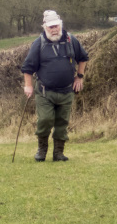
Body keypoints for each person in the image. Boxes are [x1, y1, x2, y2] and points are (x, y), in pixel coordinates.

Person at [21, 10, 89, 162]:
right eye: (50, 27)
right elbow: (28, 67)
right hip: (45, 92)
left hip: (67, 91)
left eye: (56, 26)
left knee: (62, 123)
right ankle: (42, 150)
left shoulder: (71, 40)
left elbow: (83, 58)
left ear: (60, 25)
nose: (54, 29)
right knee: (45, 120)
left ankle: (58, 153)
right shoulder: (38, 43)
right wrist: (28, 86)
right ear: (45, 27)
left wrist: (79, 77)